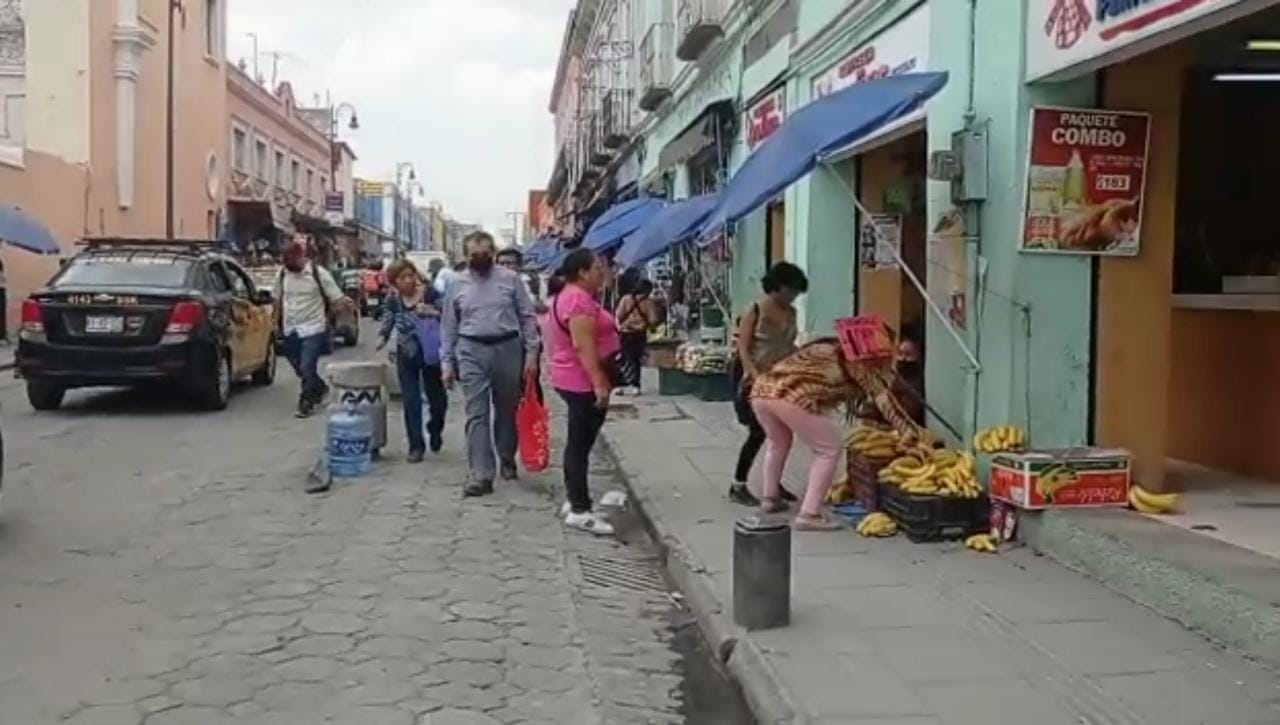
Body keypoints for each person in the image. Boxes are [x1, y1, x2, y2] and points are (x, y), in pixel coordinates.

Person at [441, 232, 540, 498]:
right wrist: (447, 362)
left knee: (506, 409)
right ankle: (481, 475)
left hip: (507, 347)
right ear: (465, 255)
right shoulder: (457, 284)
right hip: (471, 349)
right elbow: (449, 325)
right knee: (477, 413)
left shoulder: (510, 280)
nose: (480, 259)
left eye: (485, 253)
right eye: (474, 254)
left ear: (493, 252)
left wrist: (532, 355)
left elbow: (528, 318)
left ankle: (507, 457)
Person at [749, 338, 867, 531]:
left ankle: (770, 498)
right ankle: (809, 514)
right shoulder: (841, 359)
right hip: (791, 396)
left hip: (762, 390)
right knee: (828, 449)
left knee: (777, 443)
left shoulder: (819, 348)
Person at [546, 249, 617, 535]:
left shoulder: (569, 296)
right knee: (580, 443)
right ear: (583, 272)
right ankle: (579, 510)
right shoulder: (578, 301)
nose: (603, 272)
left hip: (570, 377)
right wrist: (599, 382)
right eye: (598, 267)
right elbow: (583, 346)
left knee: (579, 442)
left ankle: (576, 499)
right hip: (581, 380)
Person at [728, 262, 808, 506]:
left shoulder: (791, 313)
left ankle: (773, 483)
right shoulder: (755, 309)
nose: (793, 296)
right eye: (791, 291)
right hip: (753, 379)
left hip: (780, 379)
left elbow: (787, 345)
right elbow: (743, 348)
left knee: (780, 434)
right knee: (758, 433)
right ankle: (738, 484)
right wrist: (754, 376)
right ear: (778, 287)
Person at [379, 259, 447, 462]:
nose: (408, 280)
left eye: (411, 275)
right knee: (410, 400)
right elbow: (387, 321)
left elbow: (449, 314)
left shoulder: (430, 294)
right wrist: (382, 338)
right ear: (394, 282)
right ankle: (415, 446)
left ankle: (435, 429)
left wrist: (432, 312)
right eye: (402, 278)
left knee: (438, 400)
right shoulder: (393, 300)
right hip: (406, 353)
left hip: (430, 353)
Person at [274, 236, 349, 418]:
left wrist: (341, 314)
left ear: (302, 256)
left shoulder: (318, 273)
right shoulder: (282, 274)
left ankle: (306, 401)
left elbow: (336, 298)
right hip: (291, 327)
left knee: (307, 365)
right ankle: (319, 387)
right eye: (286, 262)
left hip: (314, 327)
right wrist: (275, 322)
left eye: (292, 261)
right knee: (296, 363)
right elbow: (277, 299)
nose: (290, 265)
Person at [614, 279, 654, 395]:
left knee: (623, 359)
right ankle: (635, 386)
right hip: (639, 334)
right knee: (636, 360)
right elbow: (652, 320)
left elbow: (618, 315)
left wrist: (619, 327)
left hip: (625, 333)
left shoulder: (626, 299)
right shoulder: (648, 302)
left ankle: (620, 386)